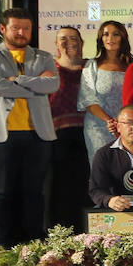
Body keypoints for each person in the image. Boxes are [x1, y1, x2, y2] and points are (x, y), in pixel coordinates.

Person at [0, 9, 58, 246]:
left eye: (26, 28)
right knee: (1, 191)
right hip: (2, 135)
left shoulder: (42, 56)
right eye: (16, 28)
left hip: (37, 133)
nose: (21, 33)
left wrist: (17, 80)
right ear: (3, 29)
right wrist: (35, 85)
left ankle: (32, 241)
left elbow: (52, 85)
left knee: (34, 192)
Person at [47, 26, 88, 232]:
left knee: (86, 184)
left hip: (88, 134)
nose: (68, 42)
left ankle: (86, 232)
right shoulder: (48, 69)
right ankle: (59, 233)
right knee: (60, 186)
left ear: (82, 43)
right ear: (56, 44)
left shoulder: (91, 67)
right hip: (58, 135)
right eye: (62, 38)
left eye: (73, 38)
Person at [79, 20, 133, 160]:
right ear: (100, 39)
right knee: (101, 172)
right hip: (98, 127)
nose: (110, 39)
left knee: (128, 173)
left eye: (116, 34)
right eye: (106, 34)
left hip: (129, 128)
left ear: (123, 37)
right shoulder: (92, 65)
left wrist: (122, 123)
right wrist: (109, 121)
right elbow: (87, 98)